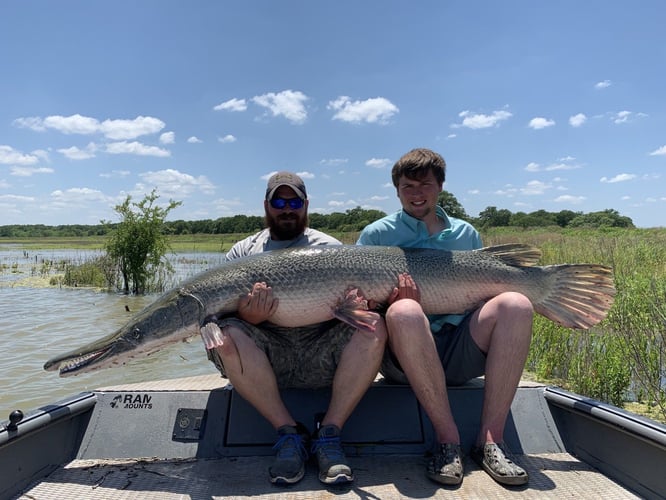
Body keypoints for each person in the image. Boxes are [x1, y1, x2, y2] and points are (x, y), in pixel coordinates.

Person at [357, 148, 532, 487]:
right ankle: (447, 442)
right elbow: (360, 305)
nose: (416, 193)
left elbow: (483, 299)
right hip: (401, 358)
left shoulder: (466, 234)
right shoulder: (376, 235)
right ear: (396, 190)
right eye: (407, 186)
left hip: (460, 349)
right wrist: (386, 303)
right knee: (405, 310)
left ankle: (490, 442)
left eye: (425, 184)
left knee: (517, 304)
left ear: (440, 187)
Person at [199, 171, 387, 486]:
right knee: (224, 336)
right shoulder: (242, 253)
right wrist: (251, 317)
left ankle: (329, 434)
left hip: (320, 353)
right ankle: (288, 434)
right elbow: (216, 318)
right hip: (267, 355)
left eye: (295, 201)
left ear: (306, 204)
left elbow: (352, 310)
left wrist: (357, 306)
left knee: (374, 326)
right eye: (279, 200)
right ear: (266, 205)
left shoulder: (329, 247)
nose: (287, 208)